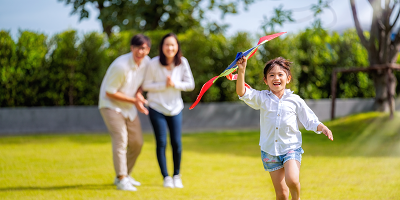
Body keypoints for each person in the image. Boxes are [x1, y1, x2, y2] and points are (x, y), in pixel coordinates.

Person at [235, 56, 333, 200]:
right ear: (265, 80)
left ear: (288, 78)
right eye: (272, 75)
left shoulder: (295, 100)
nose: (276, 78)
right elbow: (242, 92)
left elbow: (309, 120)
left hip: (290, 148)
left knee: (292, 180)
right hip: (270, 151)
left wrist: (322, 127)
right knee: (281, 194)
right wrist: (241, 70)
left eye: (280, 74)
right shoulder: (262, 98)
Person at [98, 34, 151, 191]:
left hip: (128, 106)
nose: (139, 52)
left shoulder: (146, 63)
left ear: (148, 50)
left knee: (137, 143)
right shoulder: (121, 66)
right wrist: (135, 101)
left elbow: (141, 85)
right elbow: (109, 92)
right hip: (110, 105)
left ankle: (125, 174)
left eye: (143, 48)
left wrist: (139, 95)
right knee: (121, 139)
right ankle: (121, 178)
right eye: (136, 48)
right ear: (131, 48)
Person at [142, 33, 195, 188]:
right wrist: (163, 85)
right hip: (156, 107)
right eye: (167, 44)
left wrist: (174, 84)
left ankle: (176, 175)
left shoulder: (182, 62)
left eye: (173, 45)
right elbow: (146, 85)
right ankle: (166, 177)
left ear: (177, 47)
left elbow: (190, 84)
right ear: (162, 47)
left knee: (176, 143)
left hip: (175, 108)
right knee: (161, 142)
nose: (170, 48)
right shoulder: (153, 63)